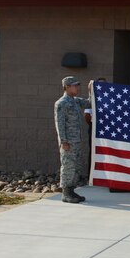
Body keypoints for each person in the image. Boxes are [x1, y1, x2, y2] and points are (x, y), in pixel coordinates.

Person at [54, 76, 92, 204]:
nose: (77, 87)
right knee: (68, 166)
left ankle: (71, 190)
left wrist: (92, 90)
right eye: (74, 85)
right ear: (67, 87)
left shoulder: (75, 101)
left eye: (77, 85)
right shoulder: (61, 103)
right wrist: (63, 141)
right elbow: (59, 124)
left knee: (75, 166)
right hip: (68, 142)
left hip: (76, 141)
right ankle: (65, 193)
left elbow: (89, 102)